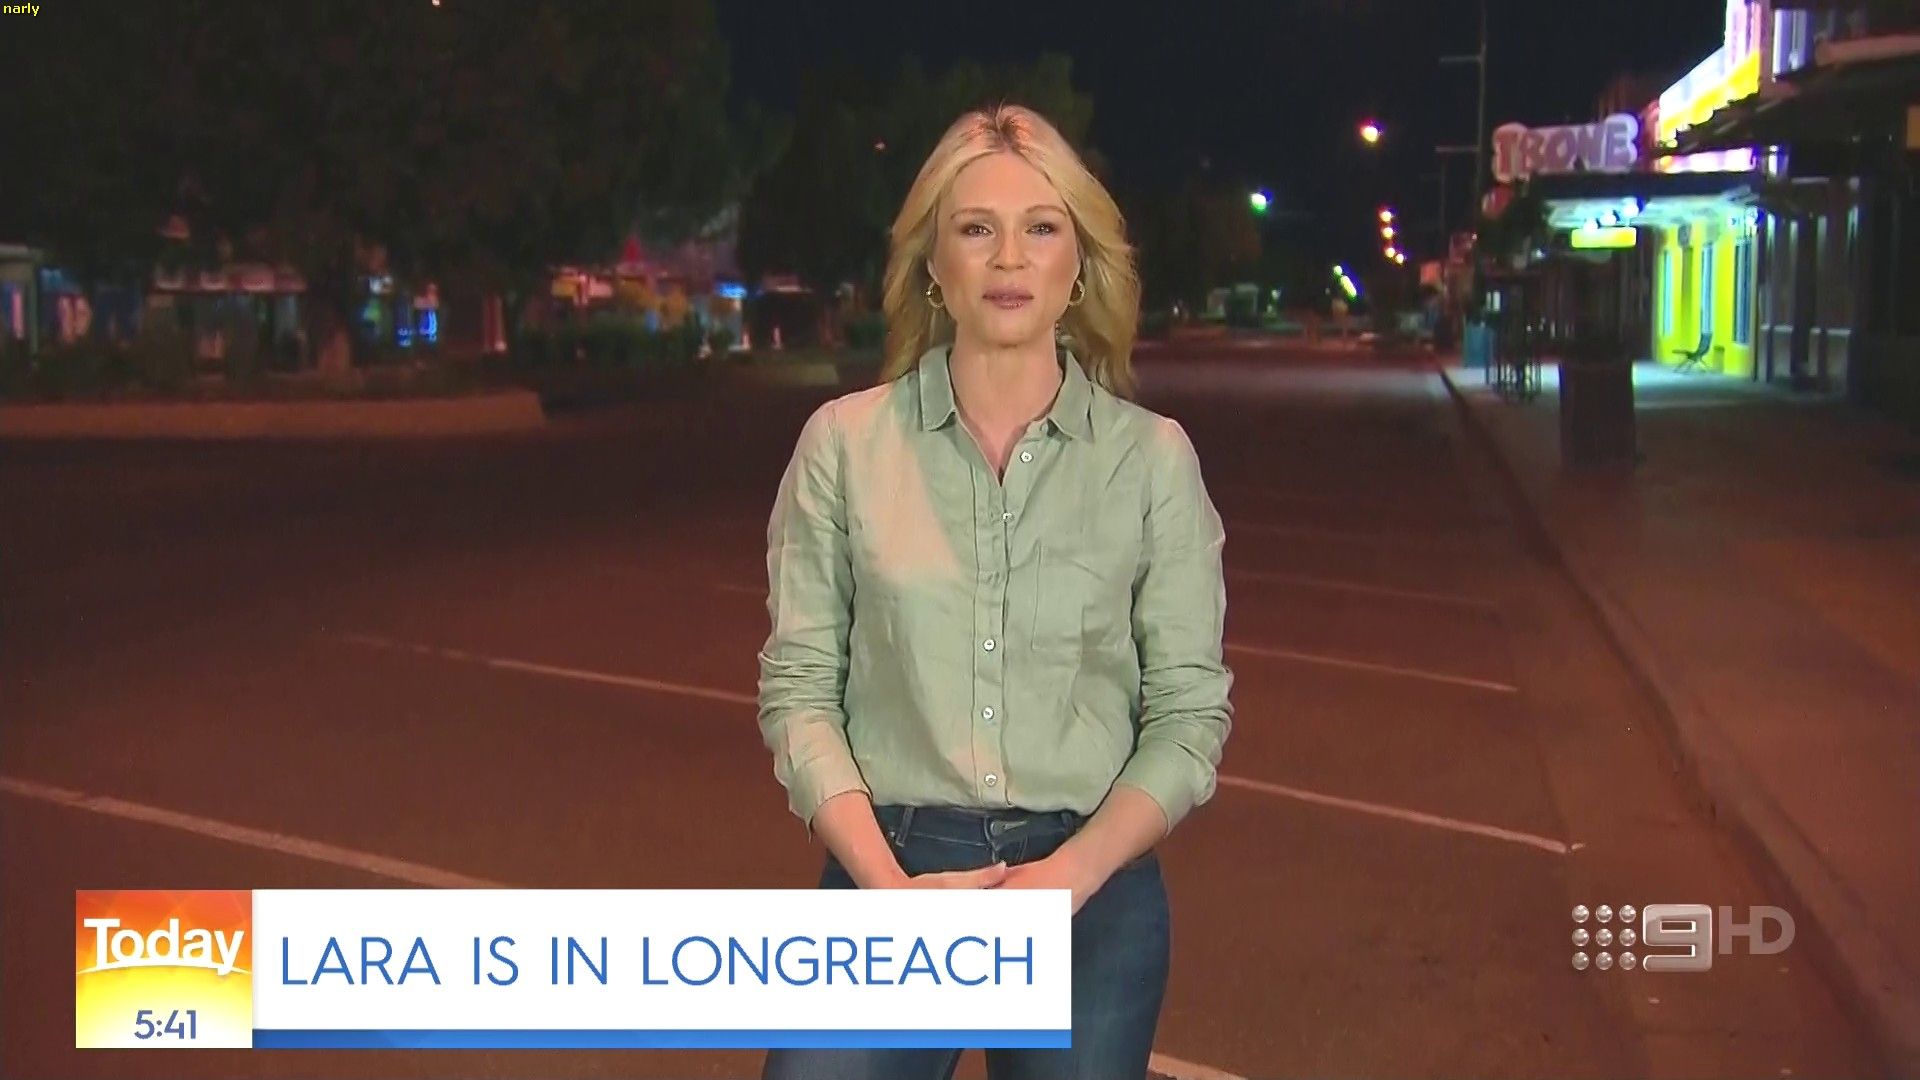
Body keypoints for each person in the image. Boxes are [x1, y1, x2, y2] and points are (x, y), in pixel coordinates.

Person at [756, 103, 1234, 1080]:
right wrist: (890, 893)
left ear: (1078, 265)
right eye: (976, 228)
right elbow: (799, 691)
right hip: (891, 872)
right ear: (934, 265)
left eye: (1041, 227)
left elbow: (1189, 717)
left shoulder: (1151, 461)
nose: (1009, 257)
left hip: (1088, 891)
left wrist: (1069, 879)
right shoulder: (845, 445)